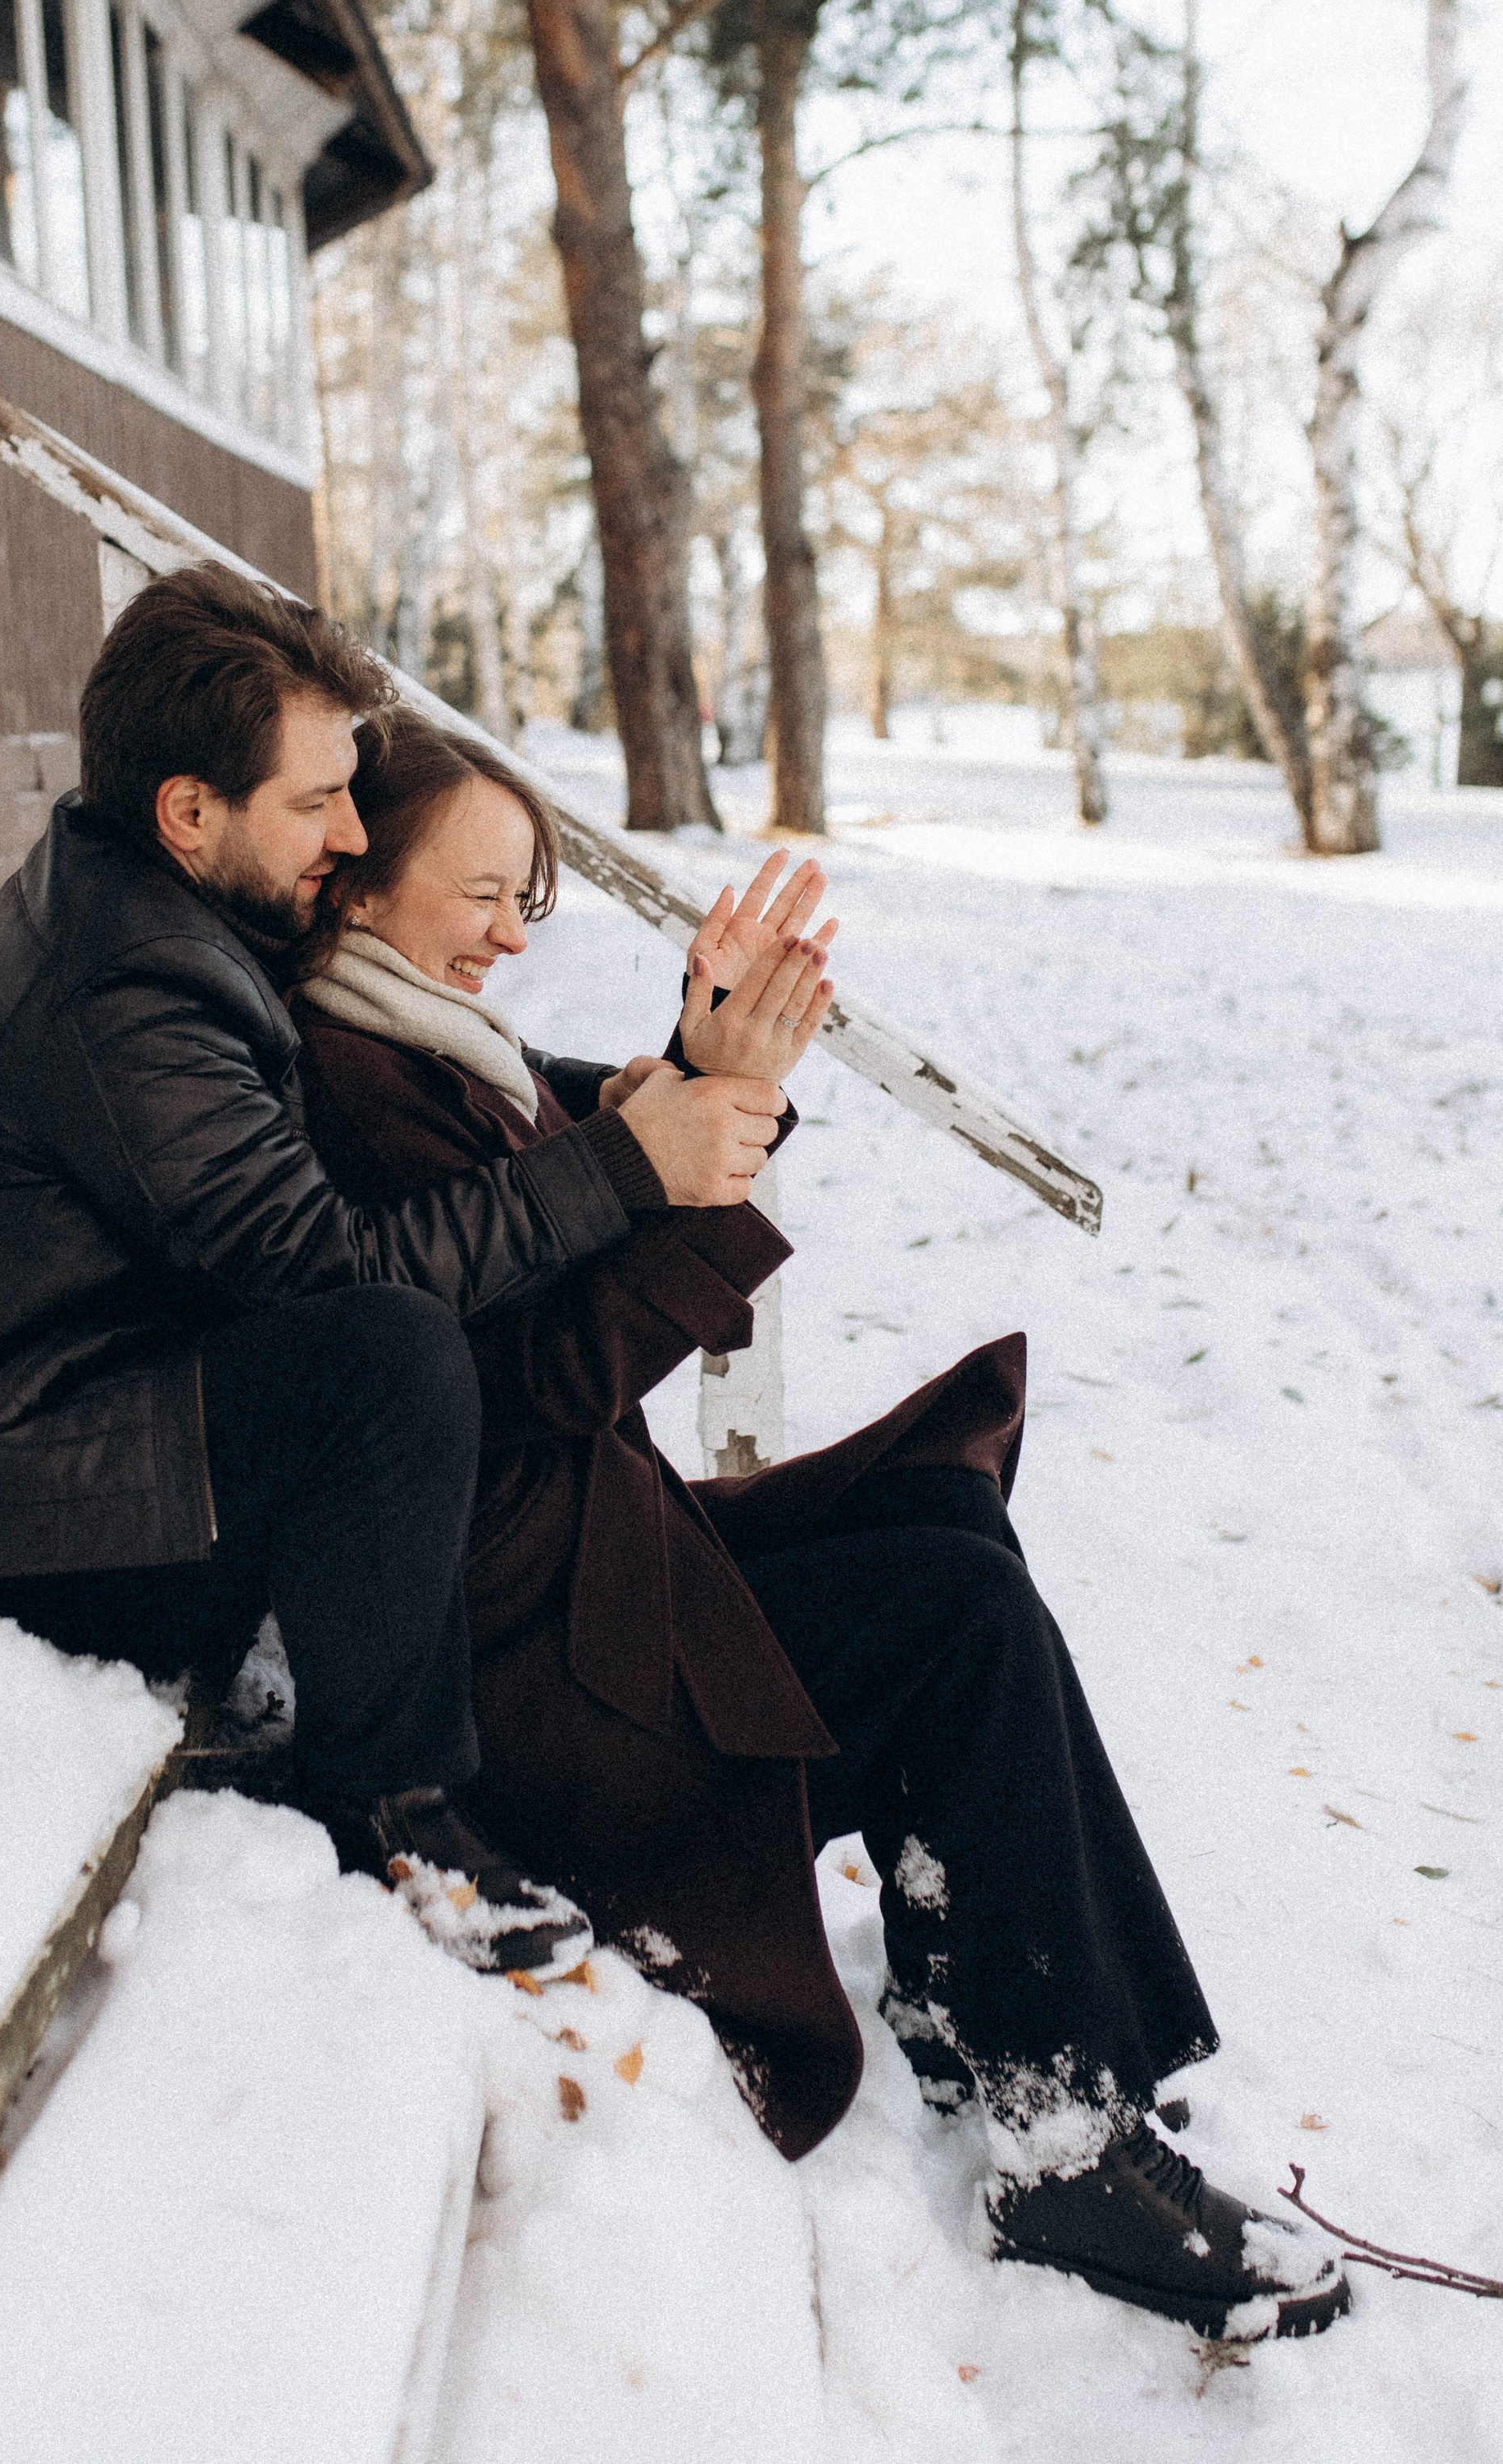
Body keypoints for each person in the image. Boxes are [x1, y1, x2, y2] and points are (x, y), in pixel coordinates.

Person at [289, 702, 1351, 2344]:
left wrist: (704, 1070)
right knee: (953, 1623)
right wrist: (674, 1171)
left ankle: (993, 2013)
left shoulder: (424, 1040)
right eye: (479, 895)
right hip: (529, 1673)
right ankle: (1060, 2140)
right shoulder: (351, 1082)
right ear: (356, 892)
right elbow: (520, 1391)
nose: (510, 933)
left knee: (942, 1518)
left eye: (531, 900)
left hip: (580, 1567)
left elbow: (560, 1213)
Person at [0, 564, 785, 1977]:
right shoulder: (131, 976)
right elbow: (325, 1268)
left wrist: (630, 1104)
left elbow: (366, 1086)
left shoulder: (156, 900)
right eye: (318, 803)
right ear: (190, 809)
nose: (355, 829)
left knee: (385, 1343)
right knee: (385, 1353)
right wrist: (624, 1164)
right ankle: (395, 1806)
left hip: (59, 1399)